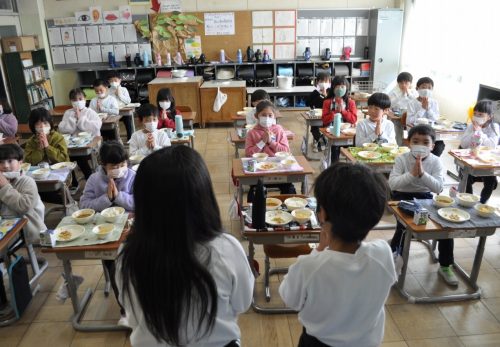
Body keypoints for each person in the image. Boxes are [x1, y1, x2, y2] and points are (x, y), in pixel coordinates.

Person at [116, 146, 254, 346]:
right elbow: (242, 302)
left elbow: (130, 309)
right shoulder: (226, 249)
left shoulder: (127, 255)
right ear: (202, 196)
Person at [279, 162, 396, 347]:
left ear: (322, 214)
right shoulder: (382, 253)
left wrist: (318, 250)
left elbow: (290, 298)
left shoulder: (309, 266)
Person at [388, 125, 458, 285]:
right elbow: (393, 184)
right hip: (401, 198)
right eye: (416, 141)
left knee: (445, 228)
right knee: (404, 228)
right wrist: (412, 174)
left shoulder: (436, 161)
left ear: (432, 146)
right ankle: (392, 264)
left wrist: (422, 175)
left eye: (426, 142)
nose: (420, 145)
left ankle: (446, 266)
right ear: (409, 143)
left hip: (426, 198)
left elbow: (438, 188)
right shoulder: (402, 159)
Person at [0, 144, 46, 318]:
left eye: (10, 161)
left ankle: (4, 302)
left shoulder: (27, 181)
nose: (5, 166)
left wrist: (4, 187)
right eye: (1, 162)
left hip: (24, 228)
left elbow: (23, 205)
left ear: (20, 162)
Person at [245, 100, 296, 201]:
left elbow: (286, 150)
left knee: (290, 189)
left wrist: (270, 142)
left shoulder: (278, 129)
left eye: (270, 115)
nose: (267, 118)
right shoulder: (252, 133)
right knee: (254, 192)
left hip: (279, 170)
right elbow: (249, 154)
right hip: (259, 173)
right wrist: (262, 142)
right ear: (256, 116)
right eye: (263, 115)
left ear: (274, 116)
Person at [460, 100, 499, 203]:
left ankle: (483, 202)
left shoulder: (494, 127)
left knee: (491, 181)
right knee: (465, 177)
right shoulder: (470, 126)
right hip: (471, 158)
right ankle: (468, 200)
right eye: (475, 114)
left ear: (489, 116)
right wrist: (474, 132)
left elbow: (492, 145)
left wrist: (479, 131)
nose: (476, 117)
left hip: (486, 160)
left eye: (480, 114)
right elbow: (464, 144)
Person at [58, 88, 102, 180]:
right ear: (70, 101)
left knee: (80, 157)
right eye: (74, 100)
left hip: (89, 144)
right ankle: (73, 182)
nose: (77, 102)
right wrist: (73, 120)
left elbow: (96, 126)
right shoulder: (68, 113)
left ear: (85, 99)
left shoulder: (90, 112)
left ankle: (89, 177)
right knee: (64, 157)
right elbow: (62, 128)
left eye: (80, 99)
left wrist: (81, 119)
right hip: (71, 145)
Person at [80, 141, 135, 213]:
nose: (119, 169)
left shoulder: (132, 177)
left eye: (122, 165)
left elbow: (141, 202)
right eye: (114, 167)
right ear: (103, 165)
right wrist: (107, 198)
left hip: (126, 219)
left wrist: (118, 196)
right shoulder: (94, 179)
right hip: (102, 220)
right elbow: (84, 205)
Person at [322, 76, 358, 163]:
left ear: (347, 88)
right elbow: (324, 120)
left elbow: (353, 120)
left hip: (347, 132)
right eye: (337, 86)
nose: (340, 89)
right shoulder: (327, 102)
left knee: (355, 146)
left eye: (342, 87)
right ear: (333, 88)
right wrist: (334, 112)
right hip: (332, 132)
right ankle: (335, 168)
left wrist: (343, 111)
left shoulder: (350, 102)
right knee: (335, 148)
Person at [407, 77, 444, 156]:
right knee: (419, 146)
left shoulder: (434, 102)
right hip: (417, 132)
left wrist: (428, 109)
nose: (426, 90)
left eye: (429, 88)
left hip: (430, 132)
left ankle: (430, 163)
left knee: (440, 146)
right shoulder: (412, 103)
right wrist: (423, 109)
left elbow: (436, 119)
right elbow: (410, 121)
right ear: (417, 88)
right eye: (423, 87)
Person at [388, 72, 418, 145]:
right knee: (396, 128)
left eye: (406, 83)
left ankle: (410, 144)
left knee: (413, 128)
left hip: (410, 115)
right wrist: (401, 96)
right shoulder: (394, 92)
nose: (404, 85)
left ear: (410, 83)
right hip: (396, 114)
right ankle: (397, 144)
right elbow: (390, 104)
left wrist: (408, 94)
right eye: (401, 83)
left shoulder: (414, 92)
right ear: (398, 83)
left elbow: (416, 103)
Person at [307, 72, 331, 152]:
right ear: (317, 82)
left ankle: (322, 142)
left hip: (328, 116)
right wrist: (320, 96)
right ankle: (322, 142)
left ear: (329, 83)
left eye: (326, 81)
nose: (324, 83)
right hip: (317, 116)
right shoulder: (315, 93)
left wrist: (325, 95)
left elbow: (330, 104)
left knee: (328, 128)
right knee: (314, 129)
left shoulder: (330, 93)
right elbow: (309, 103)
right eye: (322, 81)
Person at [108, 71, 133, 140]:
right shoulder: (108, 91)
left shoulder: (124, 89)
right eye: (111, 81)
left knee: (128, 119)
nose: (113, 82)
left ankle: (130, 137)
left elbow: (128, 101)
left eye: (115, 80)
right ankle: (115, 138)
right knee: (111, 123)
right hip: (113, 113)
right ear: (109, 81)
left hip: (123, 112)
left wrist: (119, 95)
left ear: (120, 80)